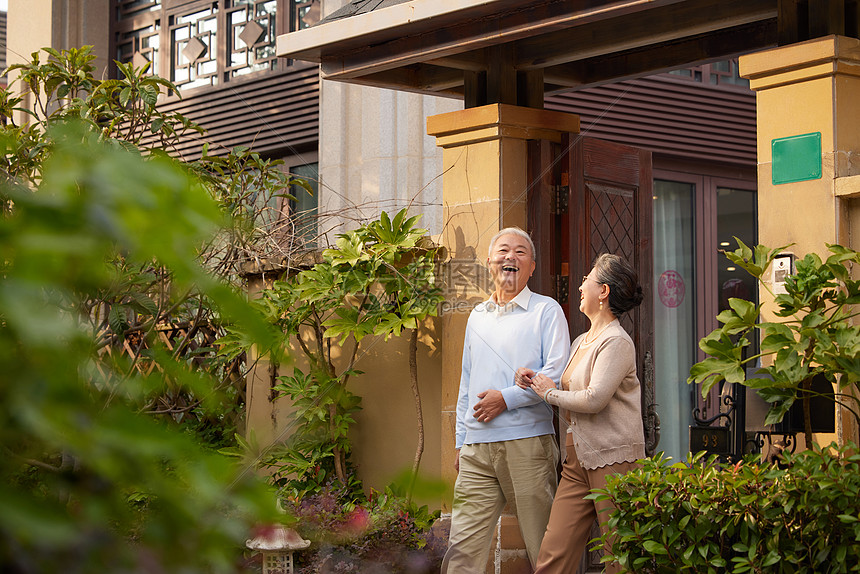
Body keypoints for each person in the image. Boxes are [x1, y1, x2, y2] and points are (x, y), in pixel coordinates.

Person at [441, 227, 571, 573]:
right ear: (489, 262)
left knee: (544, 547)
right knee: (462, 550)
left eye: (520, 252)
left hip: (528, 444)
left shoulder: (546, 310)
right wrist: (461, 441)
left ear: (531, 267)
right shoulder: (476, 316)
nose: (509, 257)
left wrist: (507, 399)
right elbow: (466, 382)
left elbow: (557, 375)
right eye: (502, 251)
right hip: (477, 450)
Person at [516, 253, 645, 574]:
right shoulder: (581, 342)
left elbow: (594, 398)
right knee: (553, 553)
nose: (579, 286)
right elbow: (564, 387)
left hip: (614, 460)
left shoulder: (616, 341)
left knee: (619, 555)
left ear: (603, 291)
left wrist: (550, 393)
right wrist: (534, 380)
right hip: (576, 461)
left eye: (587, 278)